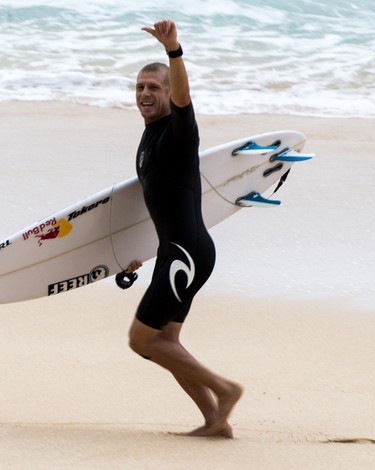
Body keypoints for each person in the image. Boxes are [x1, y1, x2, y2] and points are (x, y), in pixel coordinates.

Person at [125, 19, 243, 438]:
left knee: (142, 340)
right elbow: (161, 209)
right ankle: (216, 422)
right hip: (176, 252)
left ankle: (225, 389)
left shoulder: (177, 133)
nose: (144, 94)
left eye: (152, 88)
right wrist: (143, 251)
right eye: (139, 87)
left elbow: (183, 98)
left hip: (187, 254)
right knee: (166, 342)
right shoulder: (149, 139)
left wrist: (174, 52)